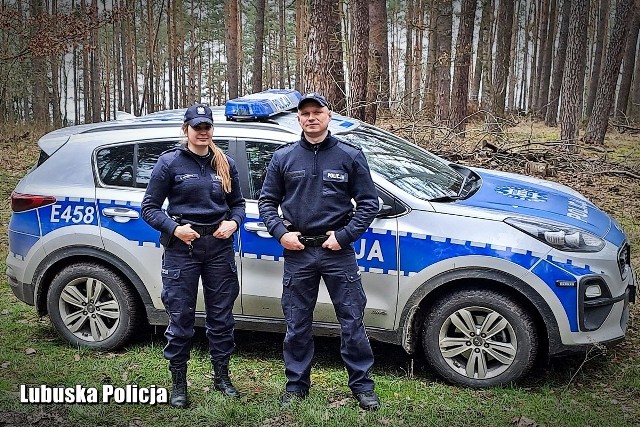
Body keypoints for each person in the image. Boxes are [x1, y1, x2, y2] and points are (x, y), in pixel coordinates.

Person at [258, 92, 381, 411]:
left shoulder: (349, 155)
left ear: (329, 116)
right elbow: (267, 202)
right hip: (298, 252)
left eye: (317, 112)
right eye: (305, 113)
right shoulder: (283, 157)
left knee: (352, 319)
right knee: (297, 322)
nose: (311, 117)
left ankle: (362, 386)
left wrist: (345, 235)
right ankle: (296, 385)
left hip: (337, 251)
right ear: (298, 119)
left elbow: (369, 202)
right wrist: (281, 234)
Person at [141, 104, 245, 408]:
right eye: (196, 127)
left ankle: (222, 377)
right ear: (185, 129)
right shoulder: (169, 162)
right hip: (182, 250)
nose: (202, 132)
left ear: (212, 129)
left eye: (207, 127)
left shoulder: (225, 162)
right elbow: (148, 208)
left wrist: (233, 222)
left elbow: (238, 204)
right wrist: (175, 229)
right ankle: (179, 384)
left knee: (222, 317)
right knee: (181, 317)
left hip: (218, 247)